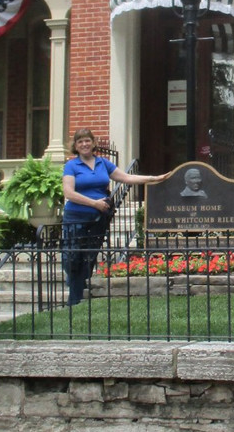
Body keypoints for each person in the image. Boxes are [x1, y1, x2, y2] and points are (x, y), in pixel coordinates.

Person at [61, 128, 167, 305]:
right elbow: (69, 193)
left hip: (97, 219)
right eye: (80, 142)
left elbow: (126, 178)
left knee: (89, 257)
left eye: (87, 140)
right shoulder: (71, 166)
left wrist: (154, 178)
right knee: (72, 257)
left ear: (93, 143)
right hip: (76, 217)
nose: (84, 144)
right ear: (76, 146)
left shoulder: (103, 163)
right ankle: (74, 295)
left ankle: (78, 297)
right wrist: (94, 203)